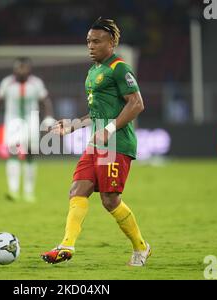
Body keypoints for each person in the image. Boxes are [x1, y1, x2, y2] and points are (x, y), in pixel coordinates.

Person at [41, 18, 151, 266]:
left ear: (111, 43)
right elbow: (97, 114)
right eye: (88, 41)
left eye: (96, 41)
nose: (90, 46)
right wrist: (73, 125)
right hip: (96, 144)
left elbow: (137, 104)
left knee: (110, 200)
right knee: (77, 190)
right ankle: (66, 246)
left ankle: (141, 247)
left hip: (117, 145)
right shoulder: (93, 72)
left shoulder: (119, 68)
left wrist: (110, 129)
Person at [0, 57, 54, 202]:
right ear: (14, 69)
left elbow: (45, 100)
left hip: (31, 120)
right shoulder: (7, 82)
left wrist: (48, 117)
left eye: (24, 67)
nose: (21, 70)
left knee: (30, 154)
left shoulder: (36, 83)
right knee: (13, 153)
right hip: (13, 121)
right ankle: (13, 190)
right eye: (19, 67)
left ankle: (29, 192)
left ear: (29, 69)